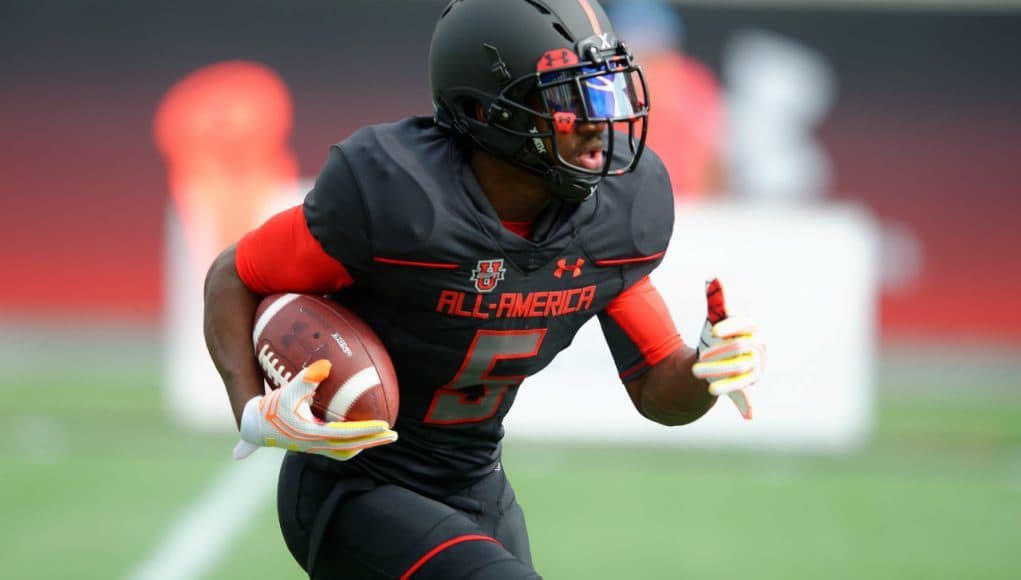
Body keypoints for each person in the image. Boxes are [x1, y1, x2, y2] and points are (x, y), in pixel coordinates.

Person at [203, 1, 764, 578]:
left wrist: (703, 370)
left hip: (477, 486)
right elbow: (236, 274)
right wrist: (250, 408)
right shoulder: (400, 200)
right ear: (484, 109)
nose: (600, 121)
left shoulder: (614, 215)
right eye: (569, 97)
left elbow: (655, 388)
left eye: (603, 89)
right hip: (358, 486)